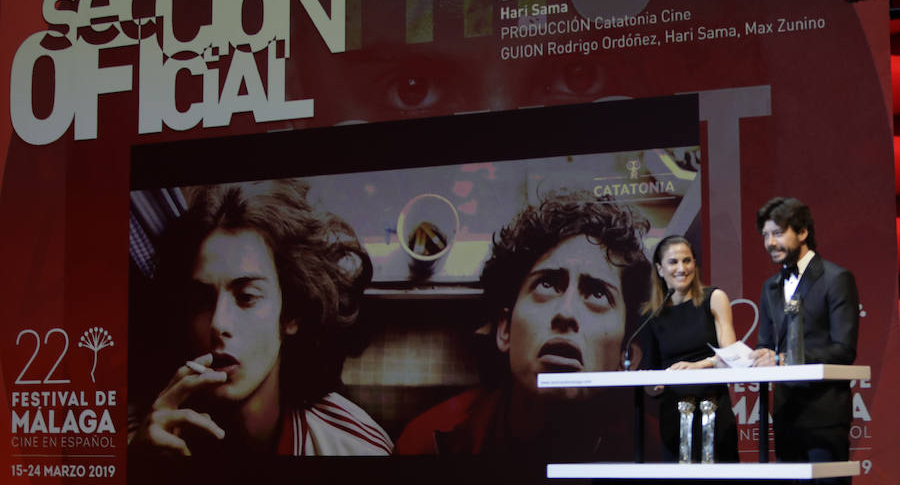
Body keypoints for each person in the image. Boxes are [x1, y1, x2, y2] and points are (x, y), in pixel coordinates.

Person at [130, 179, 392, 456]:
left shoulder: (354, 449)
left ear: (290, 314)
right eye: (202, 301)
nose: (219, 323)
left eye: (247, 297)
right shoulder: (144, 441)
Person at [395, 191, 650, 459]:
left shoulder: (661, 454)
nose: (566, 313)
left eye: (598, 294)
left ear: (628, 358)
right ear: (505, 331)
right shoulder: (429, 446)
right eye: (547, 284)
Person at [749, 197, 858, 484]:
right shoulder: (770, 286)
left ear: (802, 232)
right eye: (765, 235)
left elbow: (844, 350)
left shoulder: (836, 278)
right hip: (785, 413)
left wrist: (784, 359)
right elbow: (766, 344)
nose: (770, 242)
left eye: (777, 232)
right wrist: (752, 357)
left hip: (824, 415)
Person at [639, 235, 739, 462]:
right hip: (674, 416)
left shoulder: (714, 298)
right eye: (673, 262)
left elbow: (732, 356)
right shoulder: (650, 315)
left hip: (713, 408)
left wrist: (699, 366)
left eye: (687, 260)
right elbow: (652, 378)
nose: (681, 268)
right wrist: (652, 386)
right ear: (660, 269)